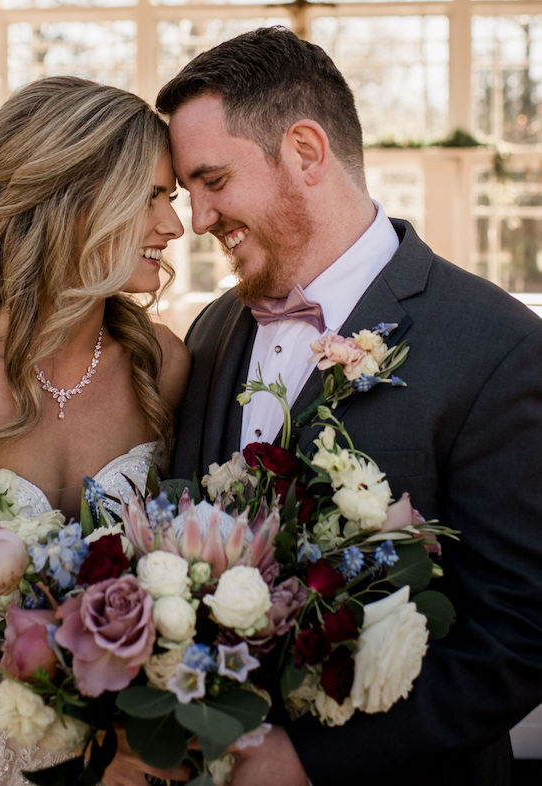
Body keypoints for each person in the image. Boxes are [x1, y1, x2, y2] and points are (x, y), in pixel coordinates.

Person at [156, 26, 542, 786]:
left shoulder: (500, 348)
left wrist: (307, 760)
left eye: (213, 182)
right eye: (186, 194)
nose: (197, 221)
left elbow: (521, 633)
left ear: (304, 151)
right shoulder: (210, 329)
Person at [0, 76, 192, 786]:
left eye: (169, 197)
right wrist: (89, 742)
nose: (174, 226)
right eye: (150, 196)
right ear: (73, 203)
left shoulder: (162, 364)